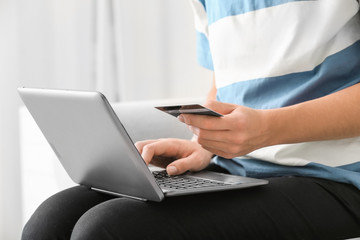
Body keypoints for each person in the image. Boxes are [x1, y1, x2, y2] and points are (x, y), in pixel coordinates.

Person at [22, 0, 360, 239]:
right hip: (237, 169)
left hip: (338, 178)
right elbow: (229, 77)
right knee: (51, 219)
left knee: (107, 229)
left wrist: (268, 129)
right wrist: (204, 145)